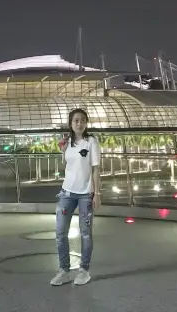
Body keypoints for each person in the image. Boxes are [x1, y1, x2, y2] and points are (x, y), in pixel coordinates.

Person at [50, 108, 101, 286]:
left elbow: (95, 169)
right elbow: (69, 166)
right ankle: (64, 270)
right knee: (60, 233)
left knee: (86, 234)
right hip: (67, 193)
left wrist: (97, 194)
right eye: (76, 120)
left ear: (86, 123)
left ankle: (83, 270)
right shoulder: (67, 143)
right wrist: (62, 150)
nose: (79, 123)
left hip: (86, 194)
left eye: (82, 120)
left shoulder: (92, 141)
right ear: (70, 124)